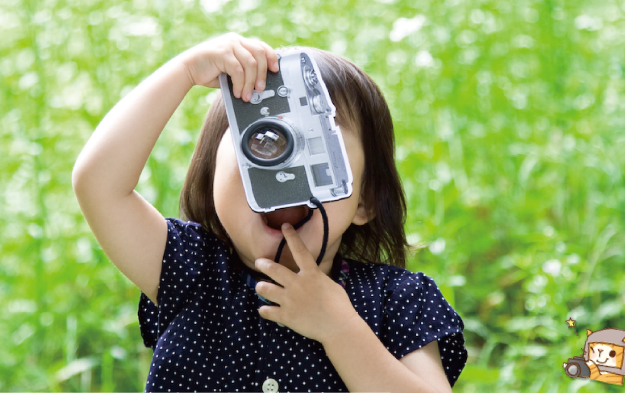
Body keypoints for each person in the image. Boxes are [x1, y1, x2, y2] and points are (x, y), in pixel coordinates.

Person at [72, 32, 467, 392]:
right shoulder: (187, 268)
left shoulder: (397, 300)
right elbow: (98, 184)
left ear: (364, 200)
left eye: (314, 136)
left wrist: (341, 329)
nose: (283, 160)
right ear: (212, 181)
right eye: (260, 138)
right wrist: (185, 71)